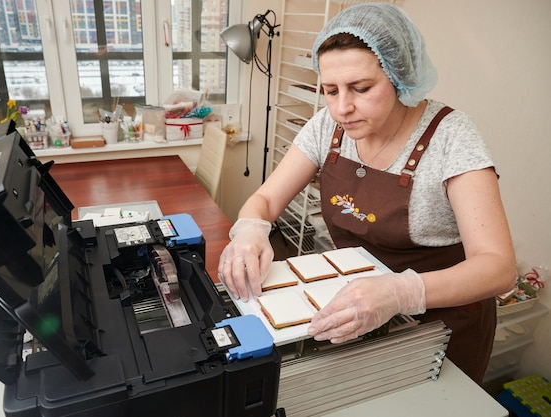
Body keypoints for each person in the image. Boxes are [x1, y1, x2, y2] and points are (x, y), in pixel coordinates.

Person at [217, 2, 515, 384]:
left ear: (399, 75)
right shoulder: (328, 126)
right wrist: (249, 231)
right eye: (329, 90)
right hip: (355, 310)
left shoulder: (451, 137)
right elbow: (266, 200)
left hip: (442, 326)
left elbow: (498, 267)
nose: (342, 107)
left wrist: (403, 292)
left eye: (361, 88)